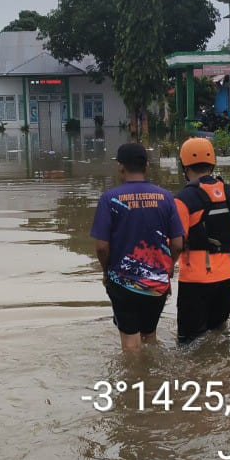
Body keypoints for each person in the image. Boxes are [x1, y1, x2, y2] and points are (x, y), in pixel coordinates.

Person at [90, 142, 185, 352]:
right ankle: (152, 381)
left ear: (121, 167)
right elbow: (178, 243)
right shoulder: (166, 197)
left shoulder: (110, 199)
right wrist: (168, 267)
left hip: (122, 282)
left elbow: (102, 247)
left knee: (130, 342)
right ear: (147, 167)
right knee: (149, 336)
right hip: (157, 284)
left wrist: (107, 271)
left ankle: (135, 382)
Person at [174, 137, 230, 345]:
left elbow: (177, 243)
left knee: (188, 343)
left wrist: (168, 268)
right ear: (212, 163)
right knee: (218, 336)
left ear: (184, 166)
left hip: (194, 281)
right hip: (226, 278)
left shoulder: (183, 199)